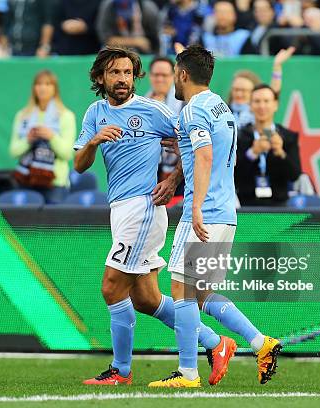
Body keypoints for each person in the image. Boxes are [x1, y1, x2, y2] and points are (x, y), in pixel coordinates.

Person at [75, 47, 233, 387]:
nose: (122, 79)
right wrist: (93, 142)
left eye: (128, 73)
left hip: (143, 209)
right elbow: (79, 164)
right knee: (146, 299)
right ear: (100, 77)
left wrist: (173, 179)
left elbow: (188, 143)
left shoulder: (151, 111)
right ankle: (216, 343)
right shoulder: (95, 112)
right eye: (115, 73)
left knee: (111, 287)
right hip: (119, 208)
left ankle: (121, 370)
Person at [148, 45, 280, 388]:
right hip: (226, 213)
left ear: (182, 74)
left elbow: (204, 157)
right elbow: (204, 154)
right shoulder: (220, 107)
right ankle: (259, 342)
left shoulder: (193, 110)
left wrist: (194, 208)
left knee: (180, 290)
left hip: (204, 215)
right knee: (203, 292)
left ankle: (188, 372)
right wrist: (175, 178)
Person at [9, 70, 76, 204]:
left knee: (53, 224)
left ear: (55, 89)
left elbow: (68, 154)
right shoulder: (23, 115)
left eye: (47, 84)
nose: (42, 88)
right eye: (38, 84)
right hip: (26, 180)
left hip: (54, 183)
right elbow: (13, 151)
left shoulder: (66, 116)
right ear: (34, 88)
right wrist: (28, 140)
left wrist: (51, 137)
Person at [235, 84, 301, 206]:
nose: (262, 106)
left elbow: (295, 175)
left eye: (266, 101)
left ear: (275, 104)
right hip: (247, 206)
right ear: (250, 105)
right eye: (257, 101)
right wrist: (252, 153)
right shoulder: (240, 136)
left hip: (279, 206)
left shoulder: (288, 136)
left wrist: (281, 153)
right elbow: (233, 175)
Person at [145, 57, 184, 200]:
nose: (159, 79)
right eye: (156, 75)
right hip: (151, 170)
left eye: (164, 75)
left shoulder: (184, 104)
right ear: (150, 76)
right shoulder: (142, 103)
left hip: (181, 171)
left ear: (173, 77)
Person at [227, 47, 295, 128]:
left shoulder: (257, 111)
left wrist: (277, 66)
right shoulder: (223, 111)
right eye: (236, 89)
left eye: (244, 90)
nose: (239, 94)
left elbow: (273, 92)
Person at [96, 0, 161, 55]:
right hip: (117, 50)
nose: (124, 17)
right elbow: (106, 40)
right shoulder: (108, 7)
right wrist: (136, 41)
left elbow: (157, 36)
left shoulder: (148, 8)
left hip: (146, 51)